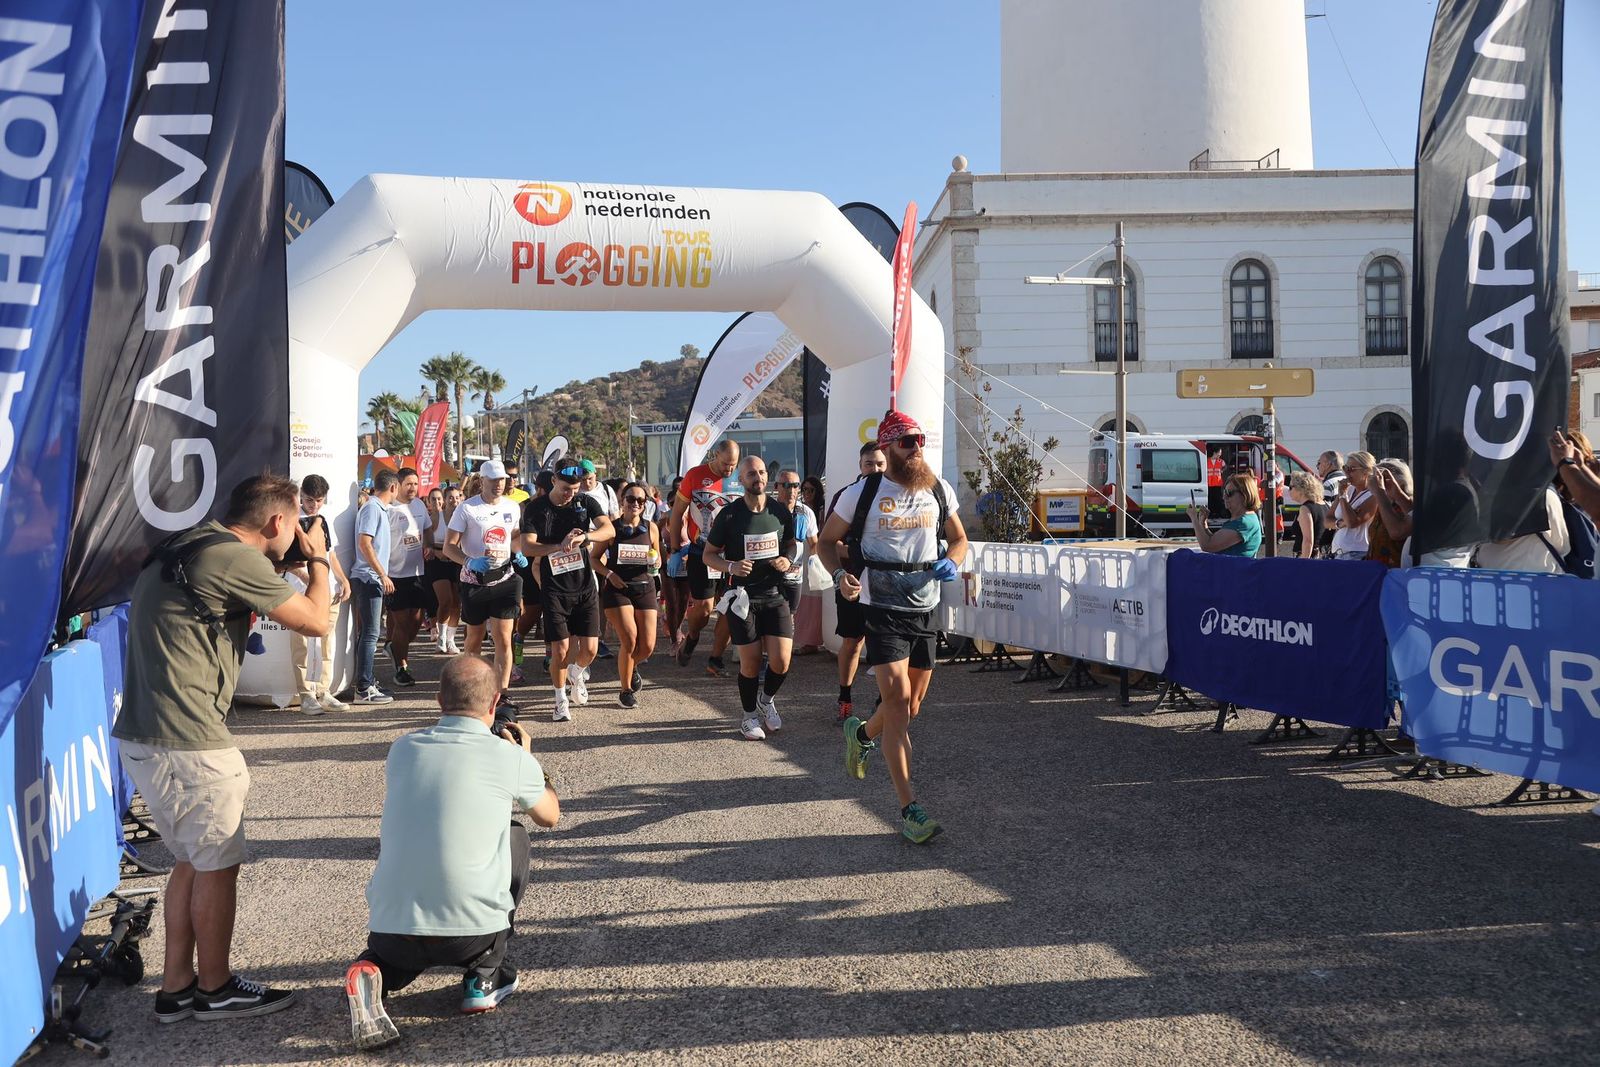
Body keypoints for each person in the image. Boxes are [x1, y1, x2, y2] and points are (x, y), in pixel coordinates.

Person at [115, 475, 335, 1022]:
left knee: (191, 861)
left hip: (149, 735)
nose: (295, 537)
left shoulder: (191, 543)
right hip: (190, 742)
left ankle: (176, 987)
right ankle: (214, 988)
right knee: (217, 866)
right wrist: (321, 561)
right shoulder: (236, 559)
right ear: (277, 522)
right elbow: (318, 620)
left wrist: (294, 572)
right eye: (293, 527)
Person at [343, 655, 560, 1049]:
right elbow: (550, 816)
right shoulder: (508, 757)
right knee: (515, 833)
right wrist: (529, 760)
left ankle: (373, 968)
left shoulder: (403, 748)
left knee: (394, 960)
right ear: (494, 704)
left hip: (393, 931)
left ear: (439, 701)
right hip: (470, 935)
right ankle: (484, 975)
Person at [818, 412, 967, 844]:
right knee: (898, 702)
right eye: (906, 442)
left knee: (912, 706)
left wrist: (953, 561)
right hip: (879, 605)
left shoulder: (938, 488)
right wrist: (839, 575)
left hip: (925, 605)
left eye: (919, 439)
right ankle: (909, 810)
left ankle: (861, 733)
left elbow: (958, 539)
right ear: (886, 448)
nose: (916, 447)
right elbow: (827, 543)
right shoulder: (860, 494)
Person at [704, 456, 799, 740]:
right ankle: (748, 717)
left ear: (766, 478)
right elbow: (709, 554)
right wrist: (730, 566)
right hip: (741, 597)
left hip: (773, 593)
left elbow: (792, 543)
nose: (757, 477)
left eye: (760, 472)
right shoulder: (730, 515)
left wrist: (787, 558)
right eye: (750, 474)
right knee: (751, 662)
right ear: (741, 480)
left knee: (782, 662)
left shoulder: (780, 511)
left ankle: (766, 700)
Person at [522, 459, 615, 721]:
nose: (570, 494)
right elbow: (527, 547)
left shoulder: (585, 502)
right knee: (560, 649)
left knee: (591, 650)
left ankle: (577, 672)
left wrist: (586, 537)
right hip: (554, 588)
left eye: (575, 490)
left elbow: (608, 529)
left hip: (584, 585)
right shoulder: (535, 508)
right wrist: (557, 546)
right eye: (565, 489)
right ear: (553, 481)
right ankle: (560, 698)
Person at [444, 460, 526, 718]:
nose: (499, 484)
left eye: (502, 480)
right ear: (482, 481)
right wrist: (470, 560)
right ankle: (471, 690)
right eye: (494, 480)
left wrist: (518, 551)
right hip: (474, 581)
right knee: (475, 638)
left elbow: (514, 536)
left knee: (504, 638)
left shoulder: (512, 507)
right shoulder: (467, 509)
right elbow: (449, 547)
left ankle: (502, 693)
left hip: (505, 579)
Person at [826, 442, 886, 723]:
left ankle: (884, 702)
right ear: (860, 466)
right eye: (869, 464)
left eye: (880, 464)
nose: (875, 469)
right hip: (852, 581)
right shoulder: (847, 495)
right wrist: (857, 554)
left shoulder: (896, 495)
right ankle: (845, 698)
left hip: (887, 585)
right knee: (852, 642)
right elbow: (829, 543)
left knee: (886, 644)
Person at [670, 439, 742, 674]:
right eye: (725, 464)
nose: (729, 469)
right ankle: (692, 636)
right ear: (714, 455)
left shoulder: (739, 478)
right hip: (702, 550)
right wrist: (674, 549)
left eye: (733, 465)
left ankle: (715, 658)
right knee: (703, 608)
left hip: (732, 553)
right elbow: (677, 514)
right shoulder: (695, 475)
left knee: (732, 607)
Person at [593, 482, 661, 707]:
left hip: (645, 587)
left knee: (648, 646)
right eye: (630, 499)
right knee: (630, 639)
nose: (635, 504)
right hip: (617, 588)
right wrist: (609, 573)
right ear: (622, 501)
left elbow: (658, 557)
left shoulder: (651, 528)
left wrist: (656, 561)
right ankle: (625, 690)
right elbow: (594, 559)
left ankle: (630, 667)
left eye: (640, 500)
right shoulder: (611, 529)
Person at [288, 474, 351, 714]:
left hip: (329, 590)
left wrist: (343, 579)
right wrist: (311, 579)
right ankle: (305, 695)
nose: (313, 505)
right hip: (302, 592)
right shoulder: (292, 520)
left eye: (318, 500)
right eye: (309, 500)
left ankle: (323, 691)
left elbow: (330, 554)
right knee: (302, 643)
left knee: (327, 642)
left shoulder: (324, 519)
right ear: (301, 496)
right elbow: (288, 560)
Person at [350, 469, 398, 704]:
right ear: (393, 488)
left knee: (369, 632)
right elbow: (364, 543)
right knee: (370, 633)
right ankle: (363, 688)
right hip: (368, 578)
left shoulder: (377, 508)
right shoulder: (372, 508)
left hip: (370, 577)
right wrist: (382, 574)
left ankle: (365, 680)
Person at [385, 467, 434, 688]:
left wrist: (429, 546)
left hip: (418, 572)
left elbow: (428, 529)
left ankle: (393, 647)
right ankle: (401, 668)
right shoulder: (389, 508)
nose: (413, 488)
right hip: (394, 574)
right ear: (398, 485)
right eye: (409, 484)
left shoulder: (420, 505)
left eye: (416, 484)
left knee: (415, 622)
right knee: (402, 623)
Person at [1473, 481, 1570, 574]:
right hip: (1494, 578)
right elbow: (1560, 543)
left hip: (1527, 579)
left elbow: (1498, 536)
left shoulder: (1542, 495)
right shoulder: (1544, 493)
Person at [1186, 472, 1263, 556]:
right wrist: (1203, 524)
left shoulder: (1244, 522)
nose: (1224, 497)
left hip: (1236, 569)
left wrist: (1194, 518)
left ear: (1245, 495)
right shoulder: (1244, 519)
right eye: (1224, 492)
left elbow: (1207, 546)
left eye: (1229, 493)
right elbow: (1216, 541)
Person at [792, 476, 827, 653]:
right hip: (802, 556)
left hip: (816, 557)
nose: (806, 493)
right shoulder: (799, 510)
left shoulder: (822, 510)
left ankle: (814, 641)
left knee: (816, 600)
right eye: (804, 489)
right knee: (804, 600)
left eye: (810, 490)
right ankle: (807, 641)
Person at [425, 487, 462, 654]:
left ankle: (450, 639)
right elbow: (426, 543)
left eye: (457, 497)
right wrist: (438, 553)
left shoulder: (463, 517)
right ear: (444, 500)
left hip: (457, 561)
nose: (454, 501)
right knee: (445, 600)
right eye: (450, 498)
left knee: (456, 603)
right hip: (438, 561)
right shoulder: (436, 517)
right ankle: (440, 637)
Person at [1329, 452, 1378, 560]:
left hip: (1358, 552)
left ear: (1366, 471)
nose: (1346, 473)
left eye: (1351, 469)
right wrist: (1341, 523)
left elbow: (1352, 522)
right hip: (1338, 552)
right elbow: (1327, 520)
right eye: (1345, 468)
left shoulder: (1373, 495)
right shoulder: (1349, 489)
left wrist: (1342, 496)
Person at [1366, 459, 1414, 568]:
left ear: (1401, 481)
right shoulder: (1384, 505)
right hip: (1377, 570)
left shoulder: (1407, 505)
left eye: (1381, 478)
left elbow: (1396, 532)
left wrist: (1380, 492)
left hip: (1397, 571)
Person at [660, 476, 691, 643]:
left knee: (684, 602)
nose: (675, 507)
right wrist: (664, 555)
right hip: (668, 564)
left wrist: (685, 554)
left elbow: (696, 540)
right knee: (672, 603)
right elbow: (654, 537)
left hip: (686, 563)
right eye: (671, 504)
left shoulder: (690, 519)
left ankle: (676, 626)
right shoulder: (664, 518)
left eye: (678, 503)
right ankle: (674, 640)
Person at [1284, 471, 1329, 560]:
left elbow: (1308, 540)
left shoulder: (1305, 509)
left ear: (1301, 489)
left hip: (1308, 557)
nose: (1289, 490)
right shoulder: (1325, 505)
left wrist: (1304, 563)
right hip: (1323, 556)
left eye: (1290, 487)